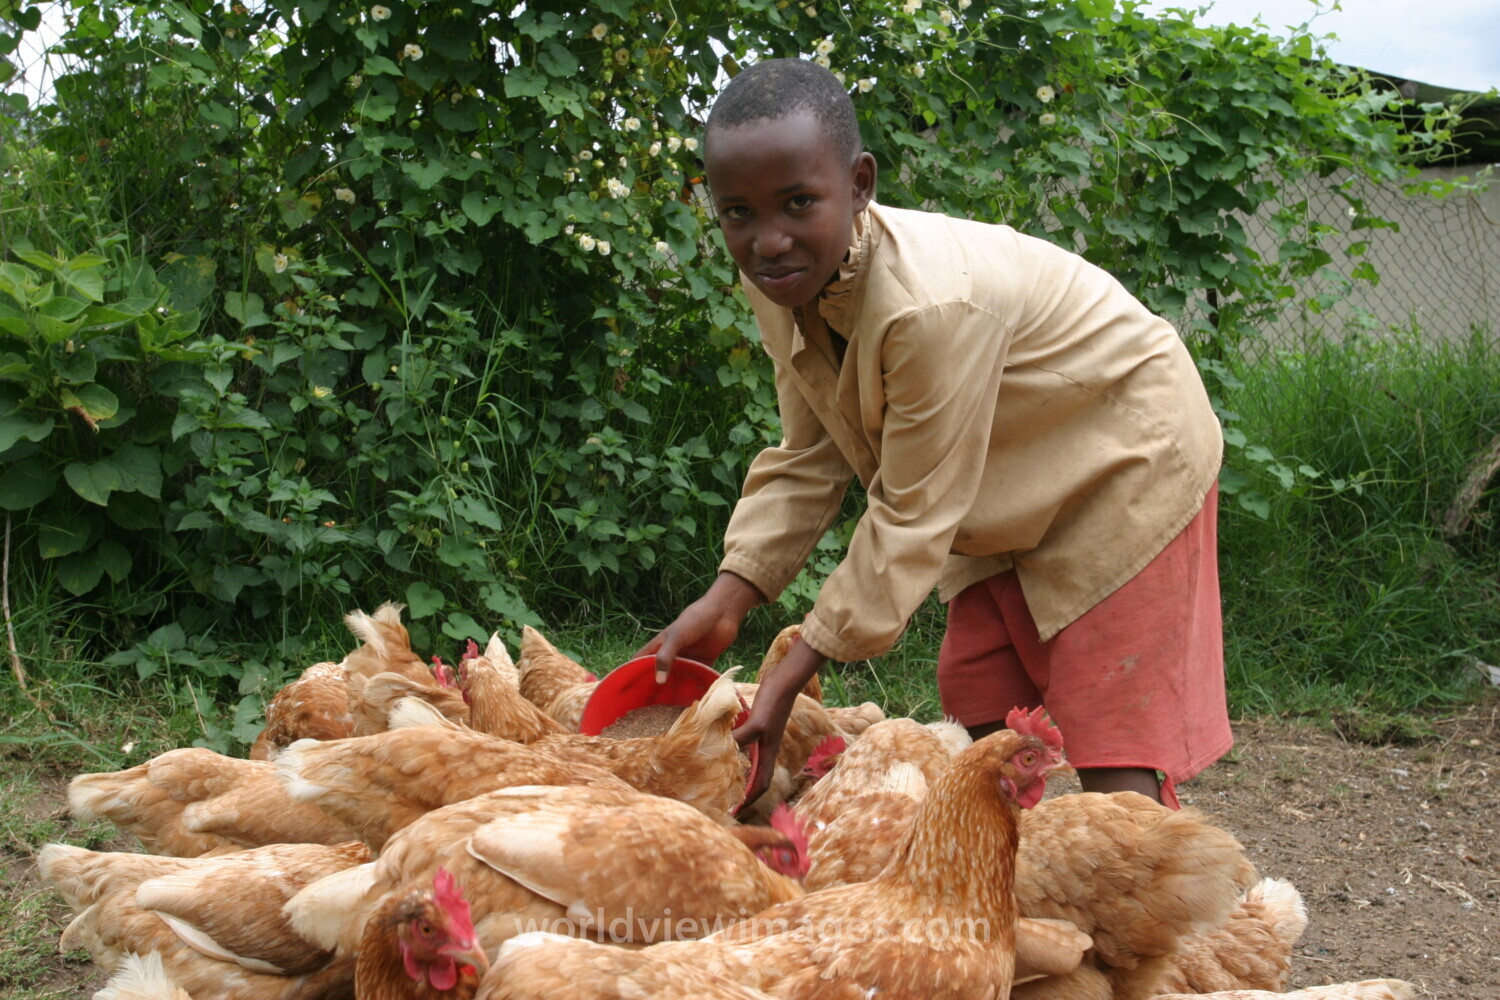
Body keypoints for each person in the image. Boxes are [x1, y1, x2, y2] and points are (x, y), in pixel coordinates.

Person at [637, 57, 1231, 809]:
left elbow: (913, 512)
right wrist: (730, 596)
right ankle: (1007, 899)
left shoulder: (926, 308)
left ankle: (1139, 887)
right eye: (739, 214)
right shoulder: (786, 284)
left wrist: (796, 667)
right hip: (1012, 466)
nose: (769, 240)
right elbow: (809, 451)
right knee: (979, 697)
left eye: (797, 203)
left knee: (1110, 719)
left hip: (1127, 447)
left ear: (859, 185)